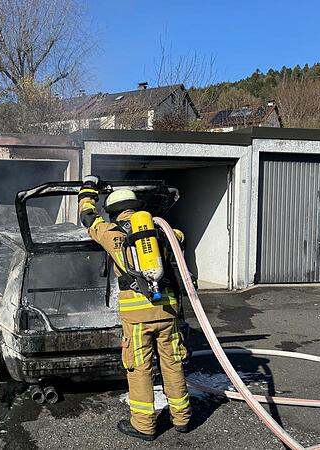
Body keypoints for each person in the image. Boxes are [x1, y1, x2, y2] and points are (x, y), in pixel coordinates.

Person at [78, 176, 191, 441]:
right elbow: (181, 238)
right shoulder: (160, 231)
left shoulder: (110, 233)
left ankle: (144, 425)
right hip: (167, 310)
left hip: (137, 318)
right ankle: (183, 418)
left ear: (114, 212)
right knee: (173, 364)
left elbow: (87, 216)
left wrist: (88, 189)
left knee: (139, 369)